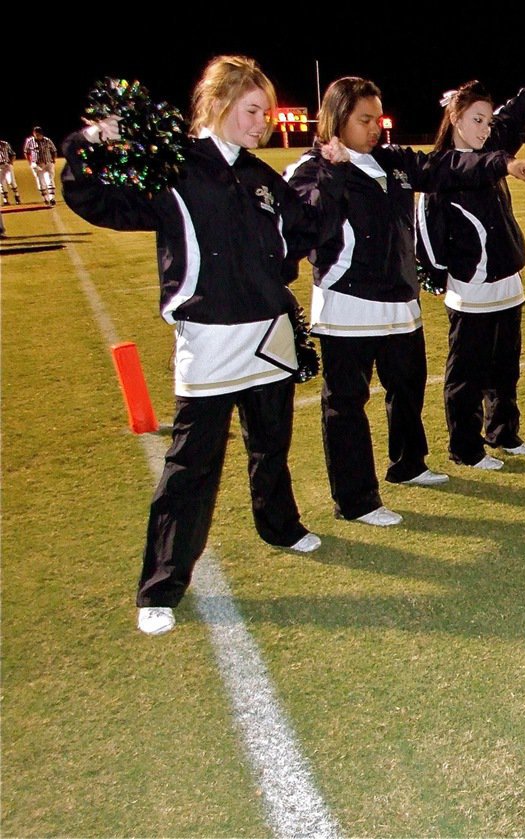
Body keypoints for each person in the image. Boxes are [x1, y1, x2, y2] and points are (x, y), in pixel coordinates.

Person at [62, 55, 347, 636]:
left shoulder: (261, 176)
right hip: (210, 339)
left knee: (271, 444)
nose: (261, 122)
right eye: (251, 110)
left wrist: (333, 176)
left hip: (268, 334)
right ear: (217, 104)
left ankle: (280, 525)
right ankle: (162, 583)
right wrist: (93, 140)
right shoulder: (175, 167)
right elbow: (98, 202)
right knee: (191, 464)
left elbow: (309, 229)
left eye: (265, 112)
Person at [285, 77, 525, 525]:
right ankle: (357, 499)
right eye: (364, 120)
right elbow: (307, 228)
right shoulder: (310, 169)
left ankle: (408, 464)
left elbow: (446, 168)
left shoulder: (393, 161)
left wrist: (500, 163)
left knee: (406, 390)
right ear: (336, 118)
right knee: (345, 405)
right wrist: (334, 169)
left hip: (399, 303)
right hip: (347, 305)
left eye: (377, 119)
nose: (374, 129)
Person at [416, 47, 525, 470]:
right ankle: (465, 447)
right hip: (471, 290)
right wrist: (441, 277)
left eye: (487, 120)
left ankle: (503, 432)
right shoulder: (442, 169)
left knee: (505, 369)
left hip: (507, 284)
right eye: (476, 120)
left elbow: (519, 110)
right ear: (455, 119)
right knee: (466, 375)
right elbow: (426, 233)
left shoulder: (493, 144)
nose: (485, 129)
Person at [23, 126, 56, 205]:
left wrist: (53, 160)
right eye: (35, 133)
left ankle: (52, 198)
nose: (36, 135)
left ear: (41, 134)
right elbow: (26, 151)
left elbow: (54, 150)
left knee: (49, 179)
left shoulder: (47, 140)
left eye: (38, 134)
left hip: (47, 163)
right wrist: (30, 162)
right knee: (40, 180)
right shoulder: (30, 141)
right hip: (36, 164)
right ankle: (45, 198)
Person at [0, 139, 20, 204]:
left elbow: (13, 154)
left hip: (6, 165)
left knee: (11, 181)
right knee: (1, 183)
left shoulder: (5, 144)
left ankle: (17, 196)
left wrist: (11, 163)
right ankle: (5, 200)